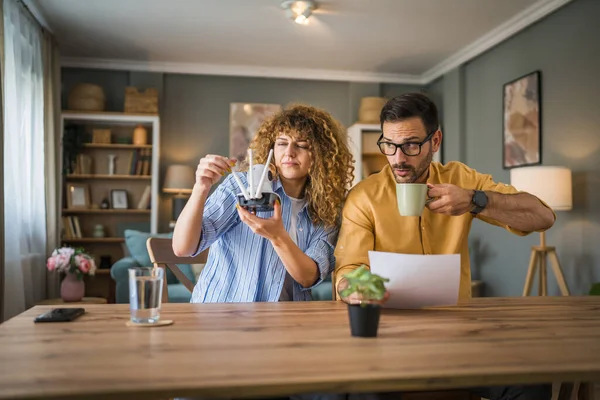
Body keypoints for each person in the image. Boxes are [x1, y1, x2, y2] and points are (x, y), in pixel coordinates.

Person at [333, 92, 555, 400]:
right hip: (388, 336)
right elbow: (348, 271)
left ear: (435, 141)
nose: (398, 158)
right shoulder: (363, 197)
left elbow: (542, 216)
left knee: (531, 381)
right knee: (360, 392)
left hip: (459, 334)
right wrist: (354, 288)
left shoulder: (461, 179)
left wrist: (475, 200)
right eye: (388, 145)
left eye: (410, 144)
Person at [172, 104, 354, 304]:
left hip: (286, 323)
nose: (289, 153)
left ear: (322, 155)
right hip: (221, 317)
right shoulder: (242, 185)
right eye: (282, 143)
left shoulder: (326, 210)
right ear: (271, 149)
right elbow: (183, 248)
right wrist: (201, 188)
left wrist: (278, 236)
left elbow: (308, 277)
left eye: (302, 145)